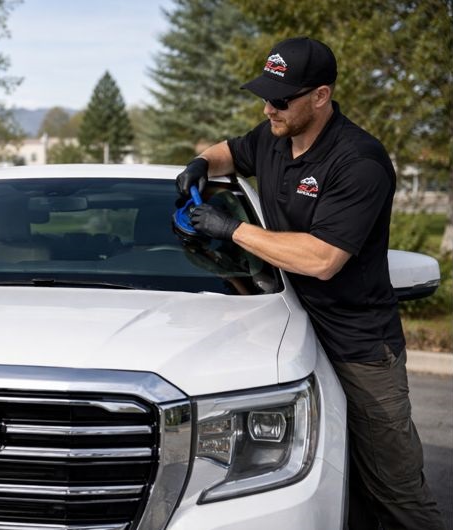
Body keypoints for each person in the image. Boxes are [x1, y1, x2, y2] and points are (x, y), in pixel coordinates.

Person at [176, 37, 444, 529]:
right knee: (340, 492)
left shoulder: (358, 162)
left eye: (279, 99)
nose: (267, 107)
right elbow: (229, 152)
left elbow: (321, 260)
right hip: (281, 329)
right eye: (264, 96)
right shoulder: (273, 136)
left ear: (320, 96)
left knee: (393, 490)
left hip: (357, 348)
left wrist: (232, 229)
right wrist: (201, 164)